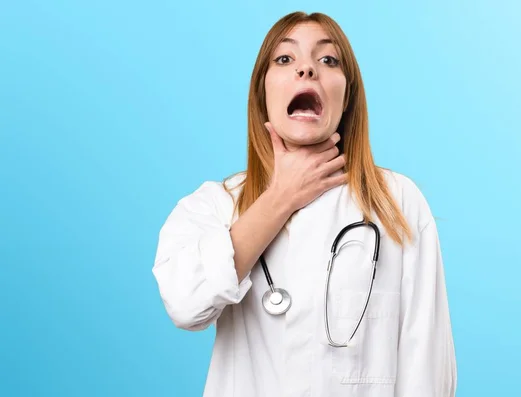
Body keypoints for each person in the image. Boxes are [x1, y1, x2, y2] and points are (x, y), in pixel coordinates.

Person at [152, 11, 457, 397]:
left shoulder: (396, 203)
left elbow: (425, 370)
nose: (307, 69)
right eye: (285, 59)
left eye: (328, 60)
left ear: (348, 97)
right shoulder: (216, 204)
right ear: (262, 94)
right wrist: (281, 198)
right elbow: (185, 304)